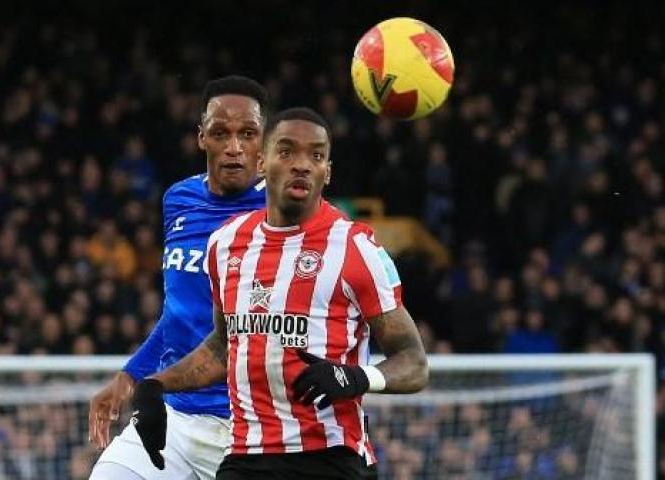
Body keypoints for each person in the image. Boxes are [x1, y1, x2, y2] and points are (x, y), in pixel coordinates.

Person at [130, 108, 429, 479]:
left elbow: (414, 362)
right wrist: (155, 385)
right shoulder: (225, 243)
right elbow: (226, 345)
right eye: (287, 152)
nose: (302, 165)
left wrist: (357, 377)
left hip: (330, 457)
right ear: (261, 162)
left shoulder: (356, 247)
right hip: (246, 456)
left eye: (316, 155)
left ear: (328, 172)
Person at [88, 75, 269, 480]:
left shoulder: (284, 211)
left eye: (248, 134)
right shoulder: (179, 199)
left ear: (264, 144)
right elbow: (179, 313)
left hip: (250, 428)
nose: (234, 147)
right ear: (202, 137)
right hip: (174, 417)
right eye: (221, 132)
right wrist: (130, 374)